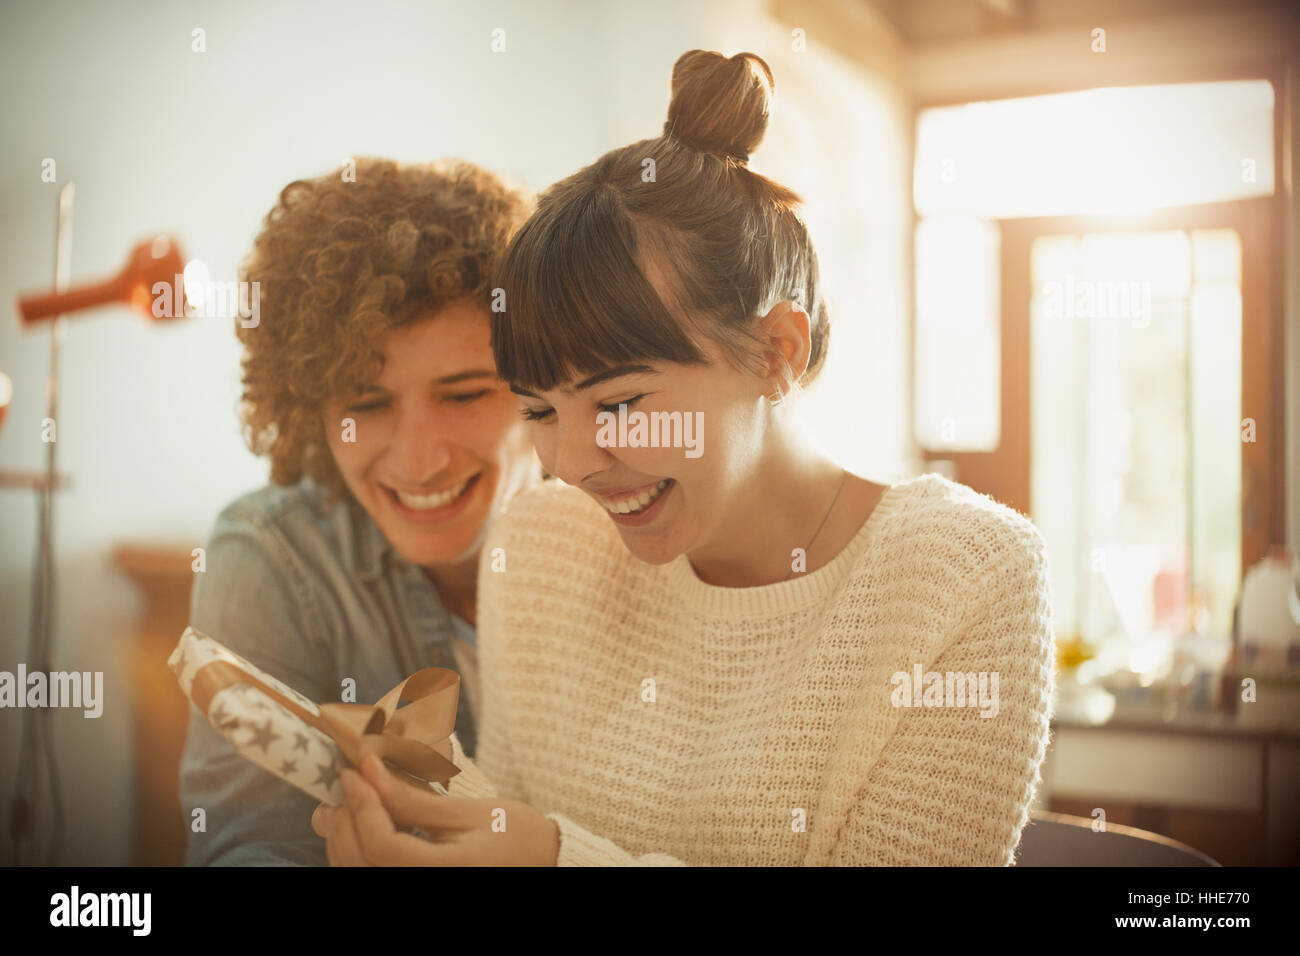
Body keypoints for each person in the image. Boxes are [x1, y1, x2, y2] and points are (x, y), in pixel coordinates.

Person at [314, 51, 1056, 866]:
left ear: (777, 351)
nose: (572, 462)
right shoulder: (538, 549)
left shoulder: (965, 575)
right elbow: (507, 820)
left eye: (621, 403)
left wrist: (558, 860)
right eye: (538, 410)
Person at [180, 157, 538, 865]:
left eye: (465, 394)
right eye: (367, 406)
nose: (417, 461)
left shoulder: (634, 526)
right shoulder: (271, 555)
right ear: (310, 410)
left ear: (543, 383)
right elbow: (241, 850)